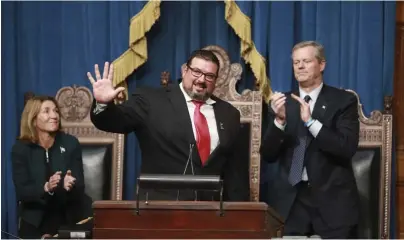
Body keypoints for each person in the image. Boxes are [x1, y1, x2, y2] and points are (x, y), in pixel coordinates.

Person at [87, 49, 249, 201]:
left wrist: (241, 216)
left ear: (216, 80)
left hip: (211, 211)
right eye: (197, 72)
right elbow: (114, 122)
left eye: (209, 76)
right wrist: (103, 104)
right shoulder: (151, 100)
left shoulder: (229, 114)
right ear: (184, 70)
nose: (201, 80)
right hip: (160, 208)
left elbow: (236, 173)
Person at [260, 41, 360, 238]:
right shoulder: (282, 103)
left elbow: (345, 147)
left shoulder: (343, 101)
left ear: (321, 65)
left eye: (306, 61)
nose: (300, 66)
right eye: (296, 62)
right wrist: (279, 120)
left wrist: (311, 122)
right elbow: (268, 155)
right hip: (290, 202)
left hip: (332, 200)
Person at [11, 95, 92, 239]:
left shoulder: (70, 143)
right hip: (35, 219)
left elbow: (80, 184)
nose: (54, 115)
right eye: (46, 111)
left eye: (55, 111)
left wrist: (70, 185)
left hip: (67, 215)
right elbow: (23, 191)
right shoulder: (21, 149)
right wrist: (46, 188)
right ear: (33, 119)